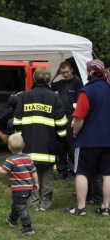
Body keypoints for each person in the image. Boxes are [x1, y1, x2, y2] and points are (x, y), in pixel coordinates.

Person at [14, 66, 68, 211]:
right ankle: (45, 204)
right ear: (49, 78)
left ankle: (33, 203)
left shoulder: (25, 96)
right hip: (48, 145)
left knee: (32, 174)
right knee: (47, 176)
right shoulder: (54, 97)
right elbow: (61, 123)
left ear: (35, 78)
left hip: (29, 145)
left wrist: (19, 140)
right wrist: (62, 139)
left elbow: (17, 121)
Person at [64, 60, 110, 216]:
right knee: (107, 174)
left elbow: (78, 118)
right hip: (108, 140)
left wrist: (75, 132)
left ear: (90, 72)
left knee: (82, 172)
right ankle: (105, 207)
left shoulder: (87, 91)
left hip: (88, 140)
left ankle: (81, 207)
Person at [0, 133, 39, 236]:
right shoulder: (28, 158)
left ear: (9, 148)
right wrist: (36, 182)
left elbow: (3, 172)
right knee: (17, 205)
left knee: (21, 206)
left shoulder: (10, 160)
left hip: (19, 190)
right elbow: (34, 172)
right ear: (24, 145)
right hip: (28, 188)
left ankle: (28, 227)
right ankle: (12, 219)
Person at [50, 61, 83, 181]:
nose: (65, 75)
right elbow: (48, 85)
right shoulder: (61, 83)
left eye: (67, 72)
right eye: (63, 73)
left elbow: (81, 101)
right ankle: (62, 170)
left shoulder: (78, 83)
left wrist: (76, 118)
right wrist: (55, 74)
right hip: (61, 116)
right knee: (61, 144)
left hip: (72, 116)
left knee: (71, 144)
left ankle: (73, 170)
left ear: (72, 70)